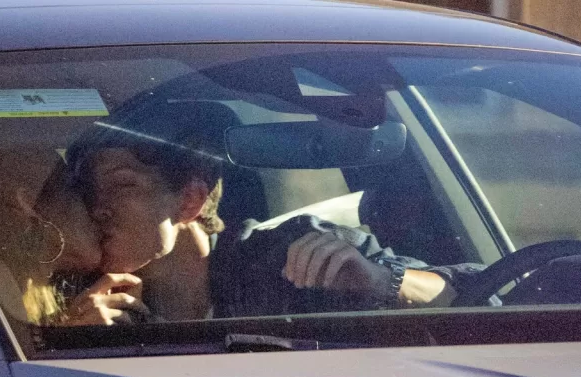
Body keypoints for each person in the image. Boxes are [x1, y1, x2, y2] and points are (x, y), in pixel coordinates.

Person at [48, 102, 483, 326]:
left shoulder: (289, 257)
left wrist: (378, 280)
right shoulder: (70, 296)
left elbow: (483, 294)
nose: (97, 205)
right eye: (88, 188)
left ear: (189, 201)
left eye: (122, 184)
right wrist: (73, 341)